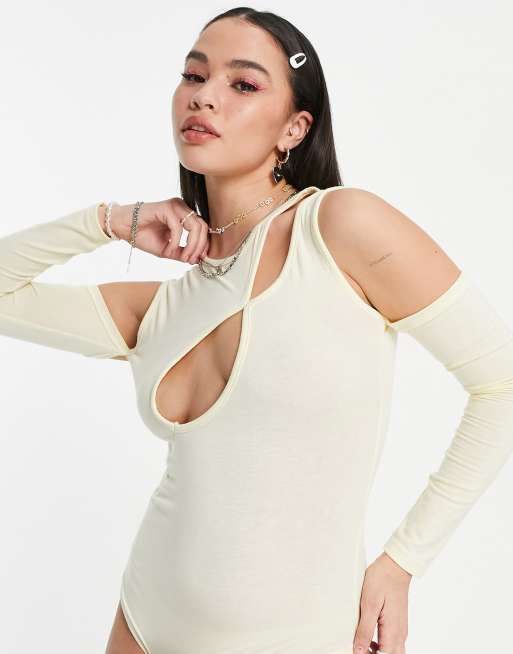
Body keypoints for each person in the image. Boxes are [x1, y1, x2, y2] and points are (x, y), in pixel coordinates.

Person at [2, 7, 513, 654]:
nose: (204, 96)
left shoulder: (337, 229)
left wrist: (402, 561)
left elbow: (501, 383)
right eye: (194, 75)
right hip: (144, 620)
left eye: (242, 84)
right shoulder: (162, 308)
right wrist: (108, 220)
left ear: (295, 128)